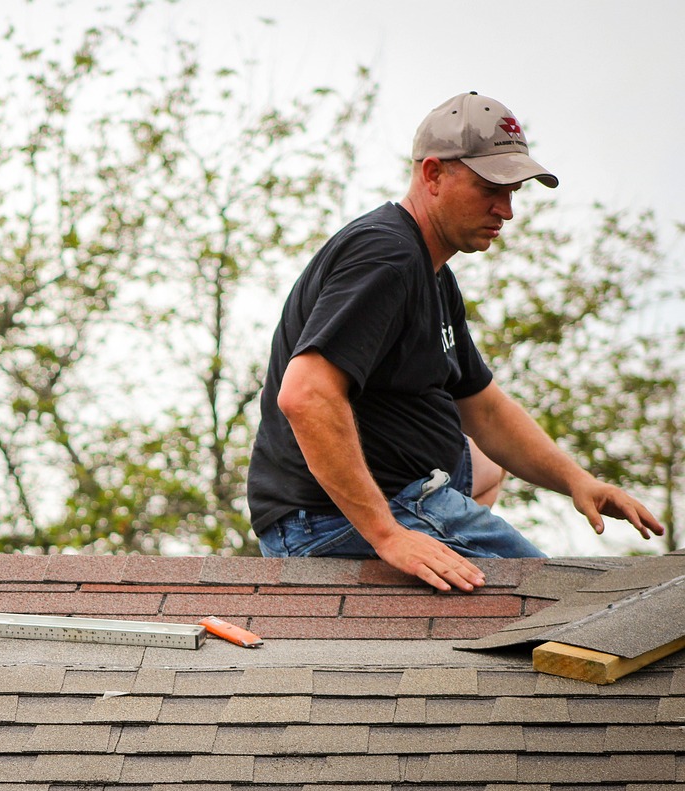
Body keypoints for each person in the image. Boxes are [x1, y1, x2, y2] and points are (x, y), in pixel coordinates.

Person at [247, 92, 662, 593]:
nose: (506, 210)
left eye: (514, 191)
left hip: (410, 490)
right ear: (433, 174)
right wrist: (389, 536)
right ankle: (444, 572)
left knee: (484, 465)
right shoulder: (388, 257)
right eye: (491, 188)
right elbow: (306, 395)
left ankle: (449, 591)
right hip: (323, 524)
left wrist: (578, 481)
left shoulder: (432, 270)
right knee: (560, 602)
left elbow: (483, 409)